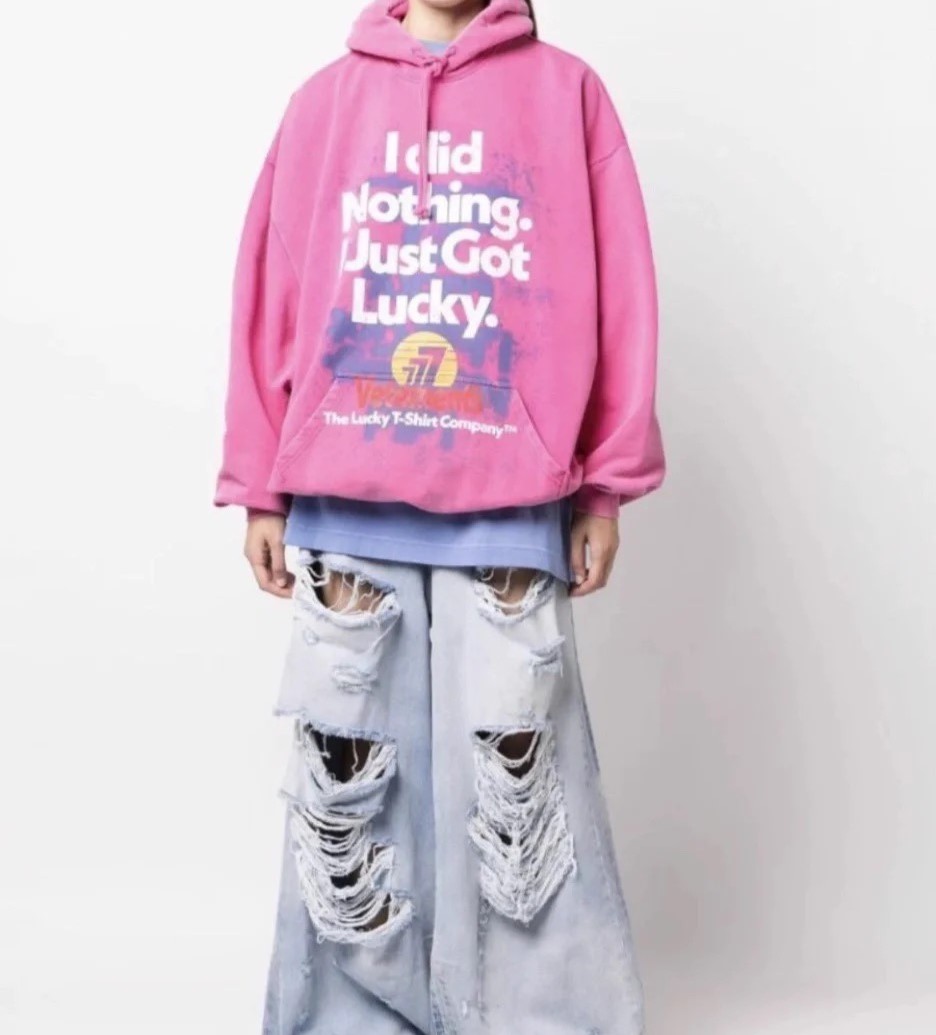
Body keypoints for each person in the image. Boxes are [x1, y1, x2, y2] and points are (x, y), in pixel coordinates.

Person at [214, 1, 665, 1032]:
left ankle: (543, 1017)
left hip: (508, 506)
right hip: (345, 501)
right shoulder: (324, 104)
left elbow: (621, 292)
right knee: (348, 799)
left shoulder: (568, 94)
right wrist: (259, 481)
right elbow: (273, 287)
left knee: (520, 804)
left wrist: (604, 482)